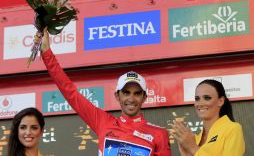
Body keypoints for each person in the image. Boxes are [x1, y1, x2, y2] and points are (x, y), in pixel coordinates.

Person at [35, 29, 171, 156]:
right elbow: (70, 92)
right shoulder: (104, 122)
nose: (131, 98)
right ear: (117, 96)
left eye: (137, 93)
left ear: (144, 97)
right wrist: (47, 52)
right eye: (126, 92)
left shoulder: (159, 134)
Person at [171, 79, 245, 156]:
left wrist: (193, 148)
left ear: (221, 101)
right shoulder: (195, 139)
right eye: (197, 99)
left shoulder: (232, 129)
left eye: (207, 98)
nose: (200, 104)